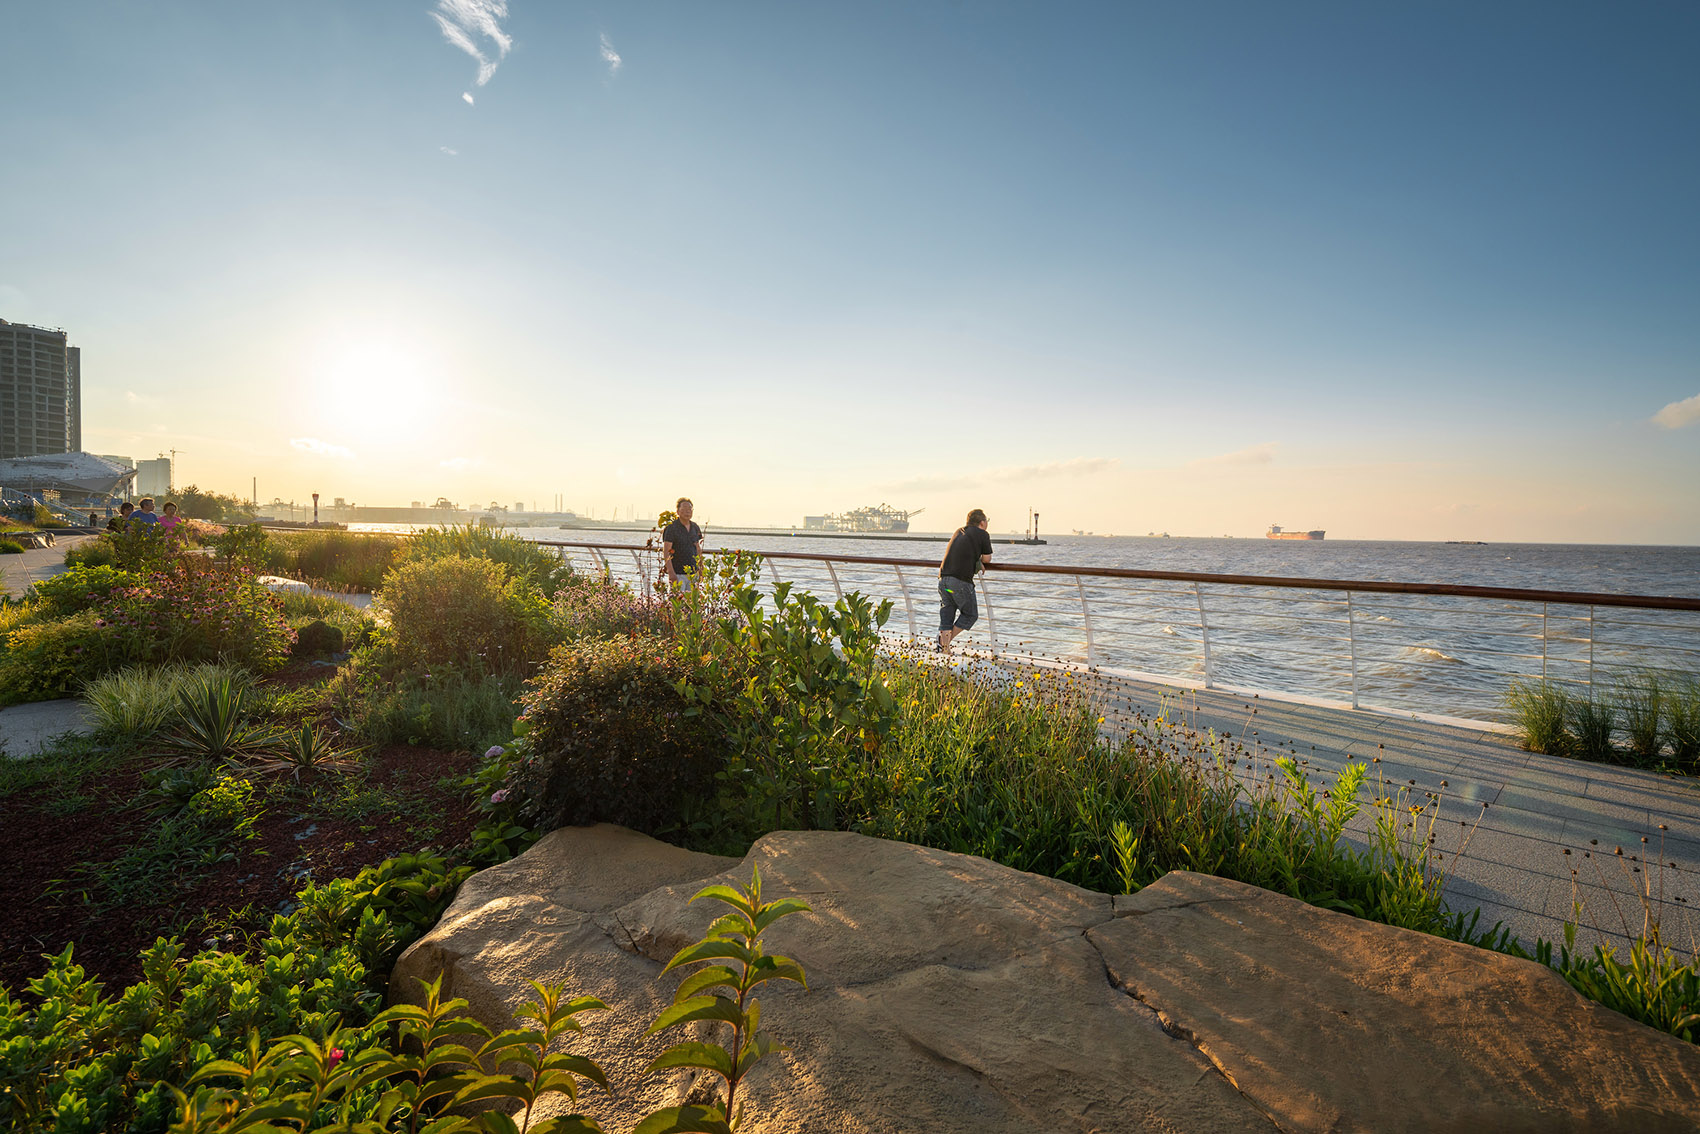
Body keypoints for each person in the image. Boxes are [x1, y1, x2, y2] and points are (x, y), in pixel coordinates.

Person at [937, 508, 993, 652]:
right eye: (987, 521)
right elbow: (987, 559)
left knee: (947, 615)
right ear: (982, 522)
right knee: (970, 615)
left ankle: (944, 649)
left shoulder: (959, 531)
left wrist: (975, 560)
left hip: (943, 580)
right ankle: (943, 642)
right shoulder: (982, 534)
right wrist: (979, 561)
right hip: (959, 582)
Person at [661, 497, 704, 591]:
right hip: (678, 573)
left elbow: (697, 548)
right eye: (684, 509)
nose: (687, 512)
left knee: (693, 603)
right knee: (676, 602)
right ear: (678, 511)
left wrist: (701, 569)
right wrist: (671, 573)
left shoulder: (695, 527)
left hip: (693, 574)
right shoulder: (671, 528)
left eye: (689, 509)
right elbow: (666, 551)